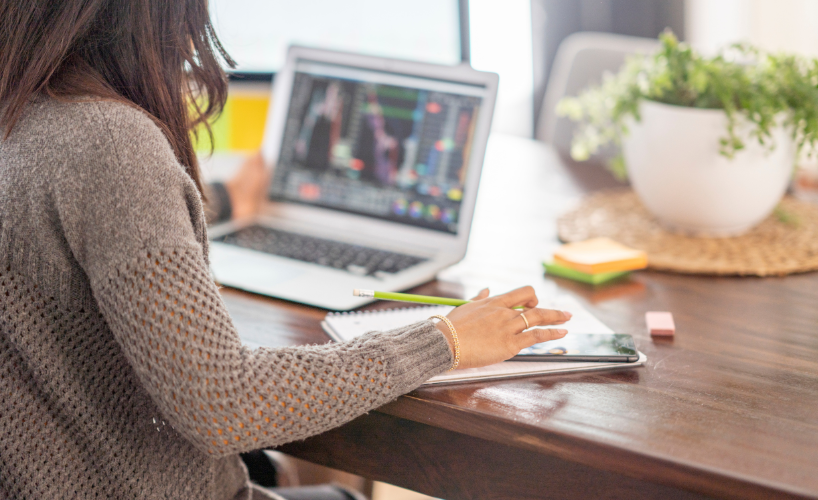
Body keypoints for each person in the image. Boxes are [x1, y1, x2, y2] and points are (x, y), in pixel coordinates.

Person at [0, 1, 572, 499]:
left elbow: (75, 216)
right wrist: (444, 339)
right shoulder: (110, 146)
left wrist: (223, 199)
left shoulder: (22, 113)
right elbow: (227, 404)